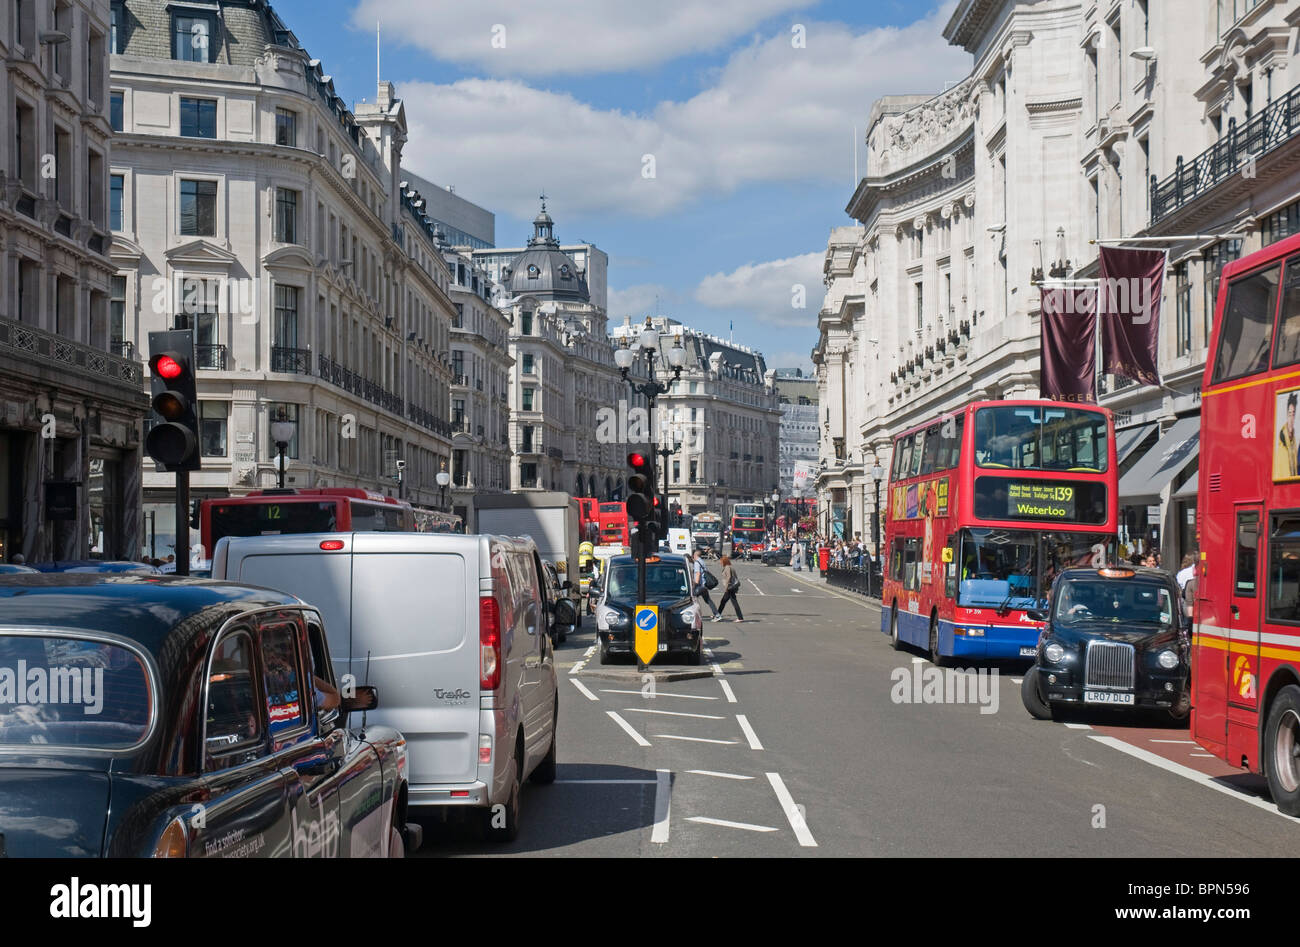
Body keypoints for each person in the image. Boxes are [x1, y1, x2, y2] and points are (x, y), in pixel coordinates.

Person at [714, 555, 745, 622]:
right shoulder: (730, 567)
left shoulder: (727, 567)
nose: (720, 563)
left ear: (724, 561)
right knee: (723, 601)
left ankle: (739, 617)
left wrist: (726, 587)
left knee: (732, 602)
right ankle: (717, 615)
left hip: (730, 587)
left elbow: (729, 577)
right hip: (731, 587)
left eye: (721, 561)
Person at [691, 551, 720, 619]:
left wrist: (695, 584)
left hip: (700, 586)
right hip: (704, 585)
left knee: (692, 599)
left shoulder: (697, 563)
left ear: (695, 555)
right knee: (708, 600)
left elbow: (698, 574)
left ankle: (694, 615)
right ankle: (717, 615)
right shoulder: (702, 561)